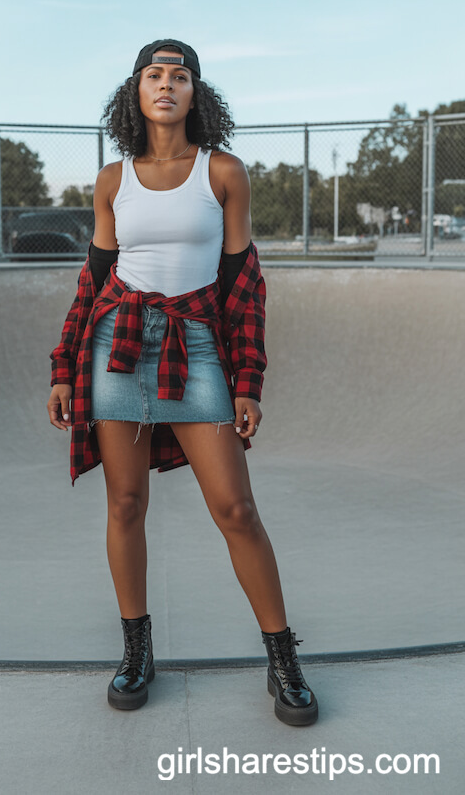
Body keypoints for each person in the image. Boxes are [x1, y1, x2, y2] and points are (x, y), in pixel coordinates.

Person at [47, 39, 318, 726]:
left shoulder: (222, 172)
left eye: (180, 76)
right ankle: (138, 652)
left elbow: (243, 286)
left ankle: (283, 658)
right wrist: (62, 367)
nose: (166, 85)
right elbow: (95, 280)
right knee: (126, 503)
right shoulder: (114, 180)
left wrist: (247, 381)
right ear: (135, 93)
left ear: (196, 93)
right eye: (153, 75)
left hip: (195, 346)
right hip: (116, 346)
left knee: (236, 509)